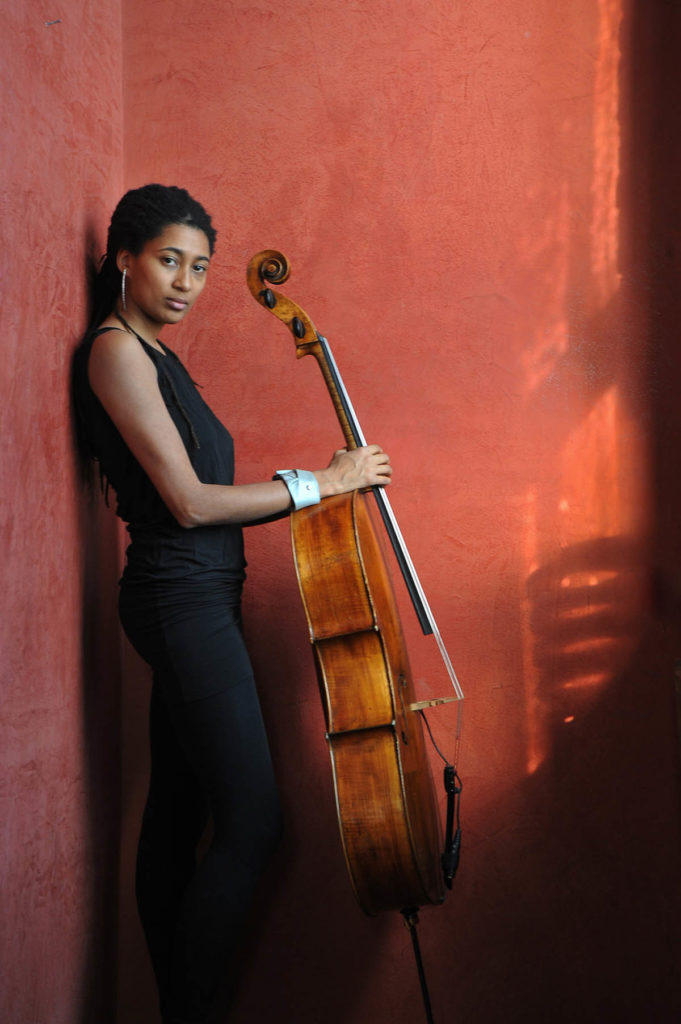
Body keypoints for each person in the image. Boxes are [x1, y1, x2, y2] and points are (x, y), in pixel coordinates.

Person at [71, 184, 392, 1024]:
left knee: (180, 811)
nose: (185, 281)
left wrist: (318, 481)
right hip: (178, 600)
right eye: (169, 260)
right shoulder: (114, 353)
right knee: (253, 823)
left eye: (200, 267)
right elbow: (188, 502)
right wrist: (319, 484)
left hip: (202, 597)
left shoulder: (160, 354)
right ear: (124, 258)